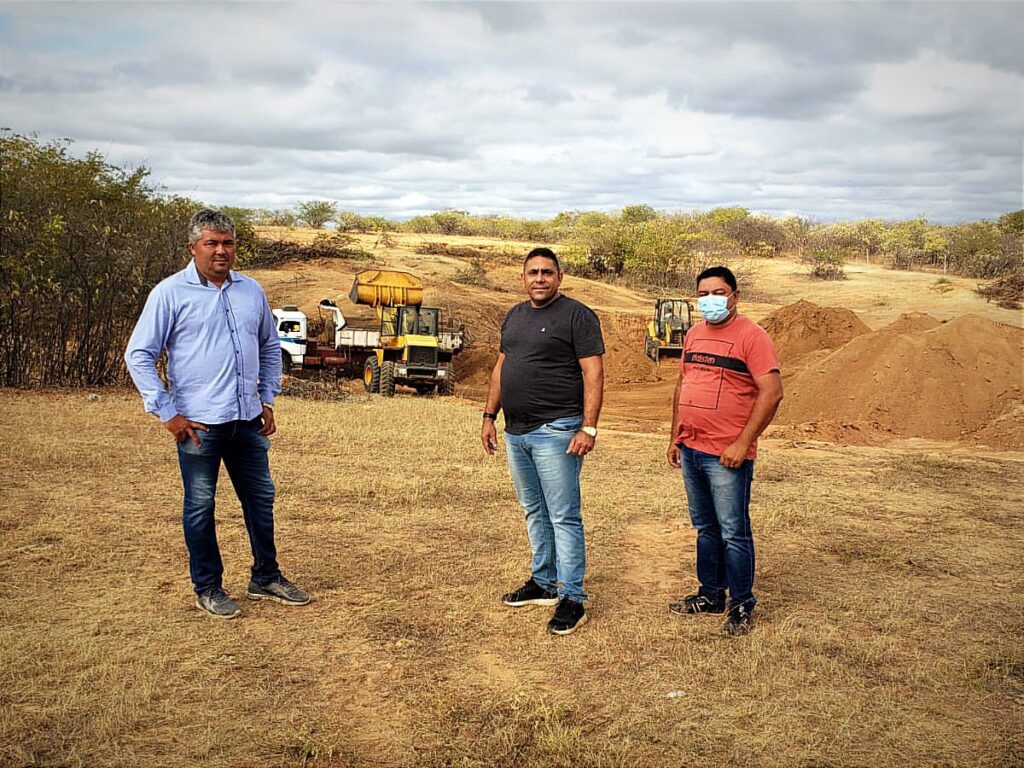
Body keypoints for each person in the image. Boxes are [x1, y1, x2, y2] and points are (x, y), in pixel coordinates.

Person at [125, 209, 309, 619]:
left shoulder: (251, 291)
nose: (221, 250)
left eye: (228, 243)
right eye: (212, 243)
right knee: (200, 505)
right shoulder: (170, 294)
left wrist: (267, 398)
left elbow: (268, 346)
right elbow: (139, 354)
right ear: (193, 247)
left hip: (247, 420)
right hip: (199, 425)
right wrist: (167, 412)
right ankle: (208, 587)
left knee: (260, 499)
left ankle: (266, 577)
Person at [481, 247, 605, 635]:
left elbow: (594, 373)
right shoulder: (514, 316)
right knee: (534, 509)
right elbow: (502, 367)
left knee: (563, 515)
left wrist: (588, 427)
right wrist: (489, 416)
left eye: (547, 272)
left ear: (559, 277)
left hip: (557, 430)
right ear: (523, 278)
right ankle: (543, 582)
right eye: (532, 272)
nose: (539, 278)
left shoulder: (577, 316)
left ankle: (572, 598)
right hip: (516, 431)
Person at [667, 265, 783, 636]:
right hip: (692, 447)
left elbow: (772, 392)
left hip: (727, 455)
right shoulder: (694, 334)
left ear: (735, 296)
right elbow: (682, 384)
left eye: (718, 293)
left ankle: (742, 603)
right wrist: (675, 436)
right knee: (705, 527)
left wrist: (743, 442)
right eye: (703, 294)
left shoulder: (753, 336)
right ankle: (711, 594)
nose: (710, 300)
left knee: (733, 531)